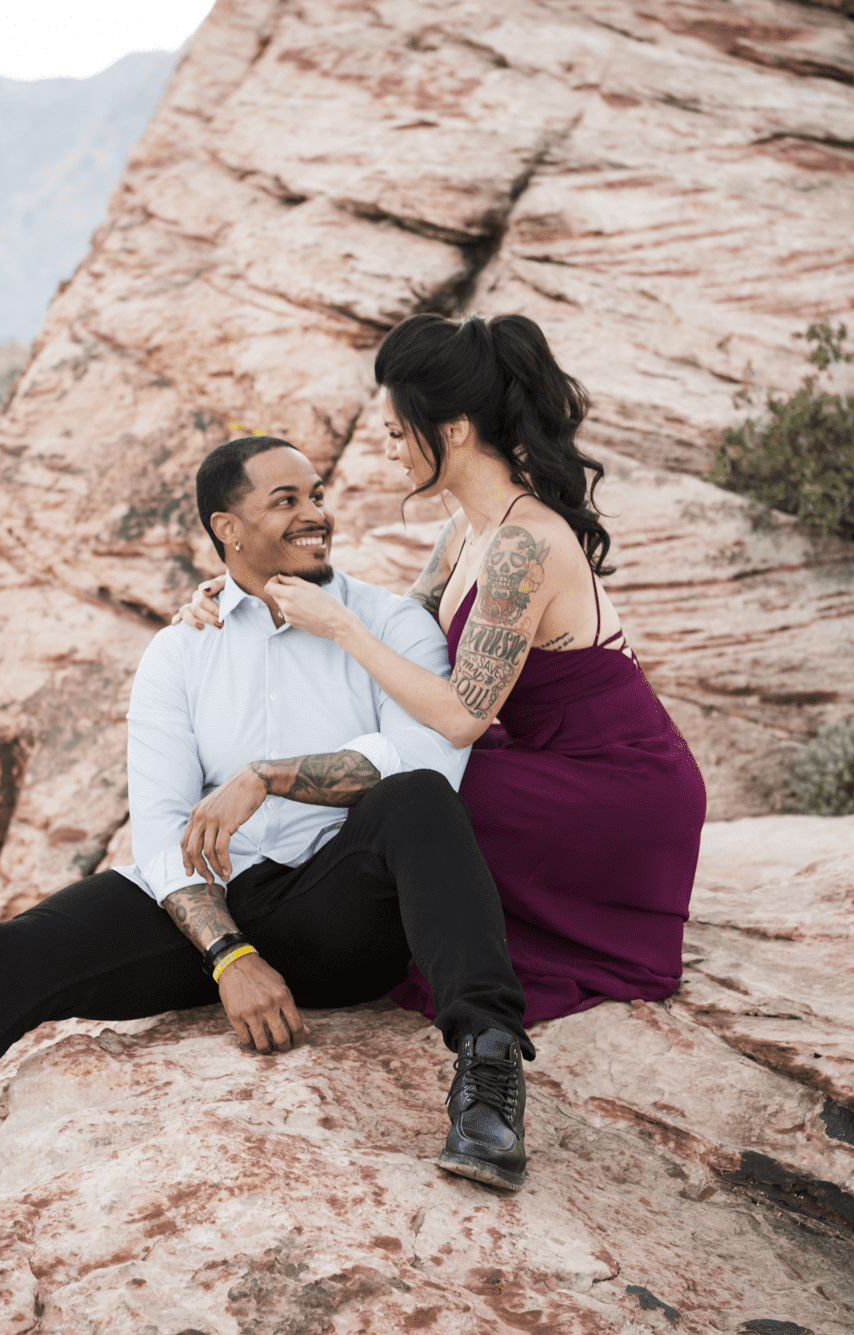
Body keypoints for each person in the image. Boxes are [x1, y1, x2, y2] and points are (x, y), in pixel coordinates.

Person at [0, 436, 540, 1279]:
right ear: (228, 528)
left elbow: (424, 761)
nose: (317, 513)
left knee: (419, 799)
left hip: (341, 904)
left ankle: (489, 1076)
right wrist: (230, 954)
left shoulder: (388, 626)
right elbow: (162, 826)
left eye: (317, 493)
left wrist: (269, 777)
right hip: (213, 902)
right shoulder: (182, 649)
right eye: (286, 500)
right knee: (10, 954)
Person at [179, 313, 707, 1028]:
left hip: (616, 787)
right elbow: (402, 623)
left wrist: (338, 627)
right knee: (391, 768)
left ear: (452, 429)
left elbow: (462, 714)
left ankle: (306, 936)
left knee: (408, 787)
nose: (390, 448)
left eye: (399, 430)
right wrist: (237, 588)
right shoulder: (467, 529)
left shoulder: (525, 544)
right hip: (545, 759)